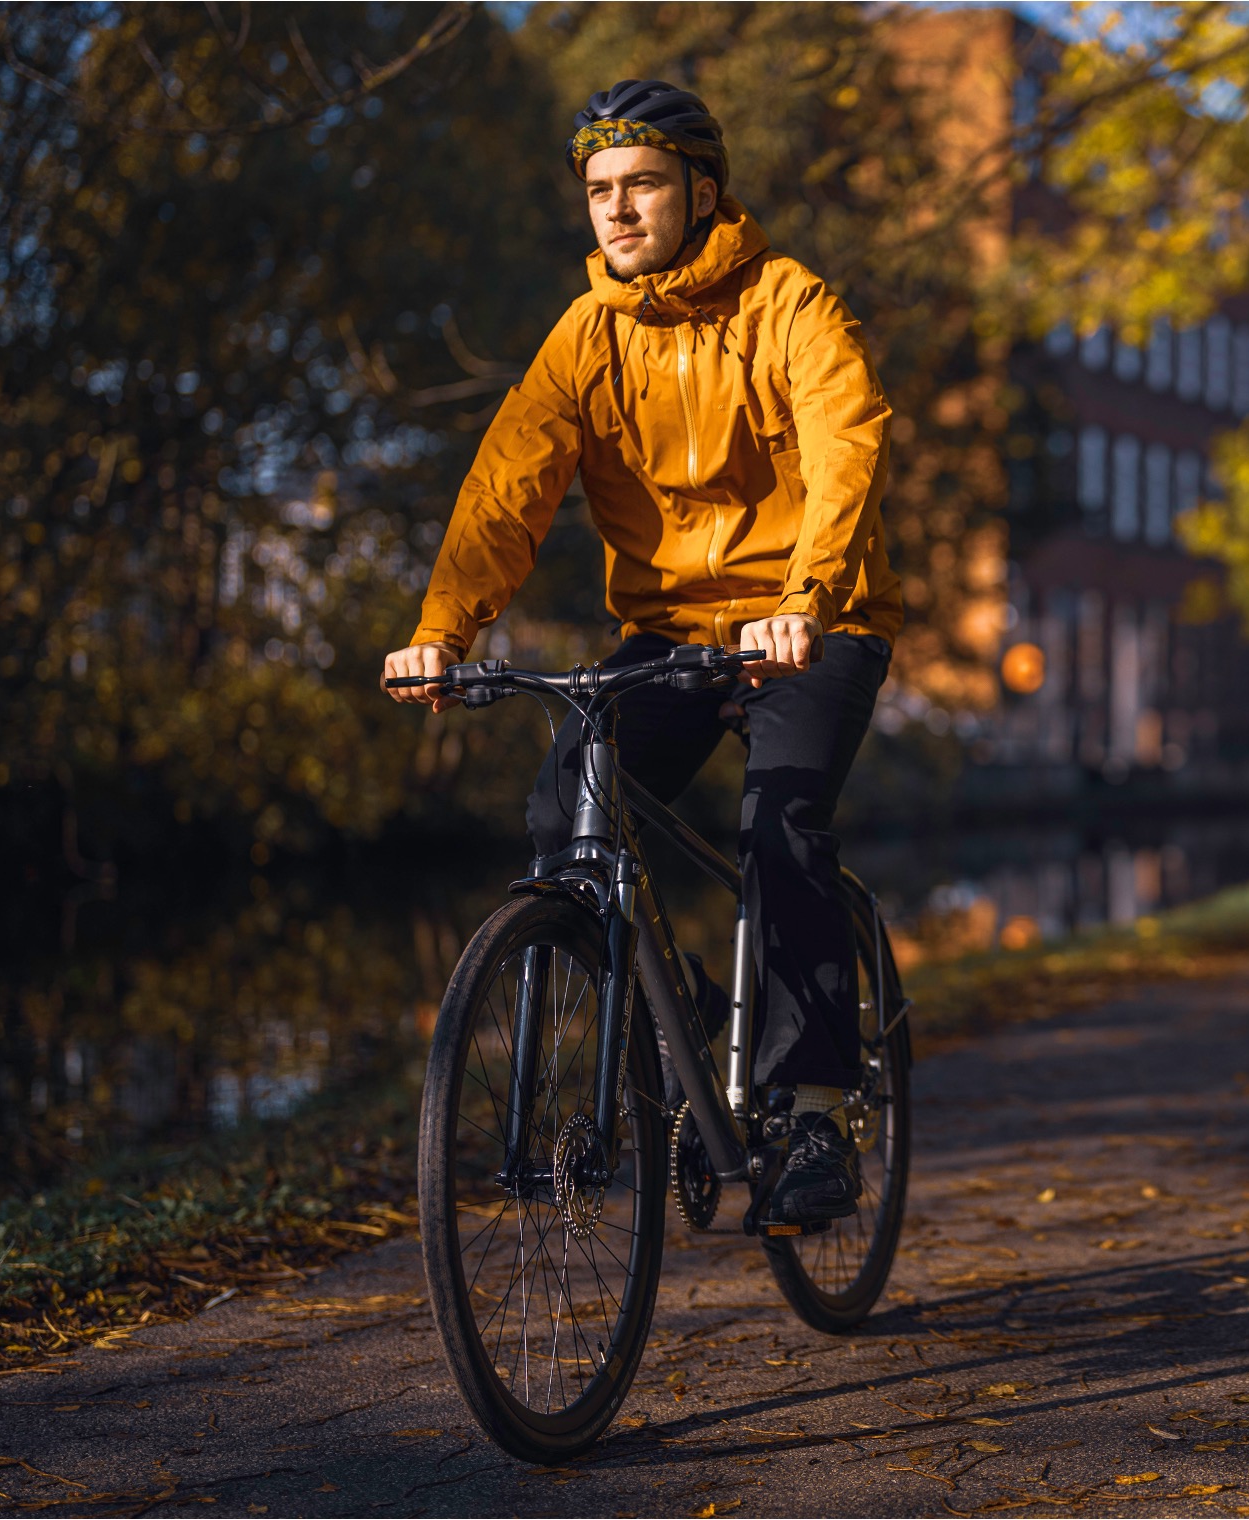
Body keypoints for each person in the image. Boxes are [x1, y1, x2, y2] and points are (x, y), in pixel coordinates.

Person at [380, 80, 901, 1226]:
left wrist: (806, 598)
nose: (616, 211)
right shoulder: (584, 336)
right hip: (670, 634)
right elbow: (506, 487)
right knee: (565, 797)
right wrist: (441, 630)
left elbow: (845, 446)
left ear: (701, 193)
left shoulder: (790, 303)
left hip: (813, 616)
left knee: (781, 821)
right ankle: (683, 1032)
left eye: (642, 186)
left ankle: (811, 1106)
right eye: (599, 192)